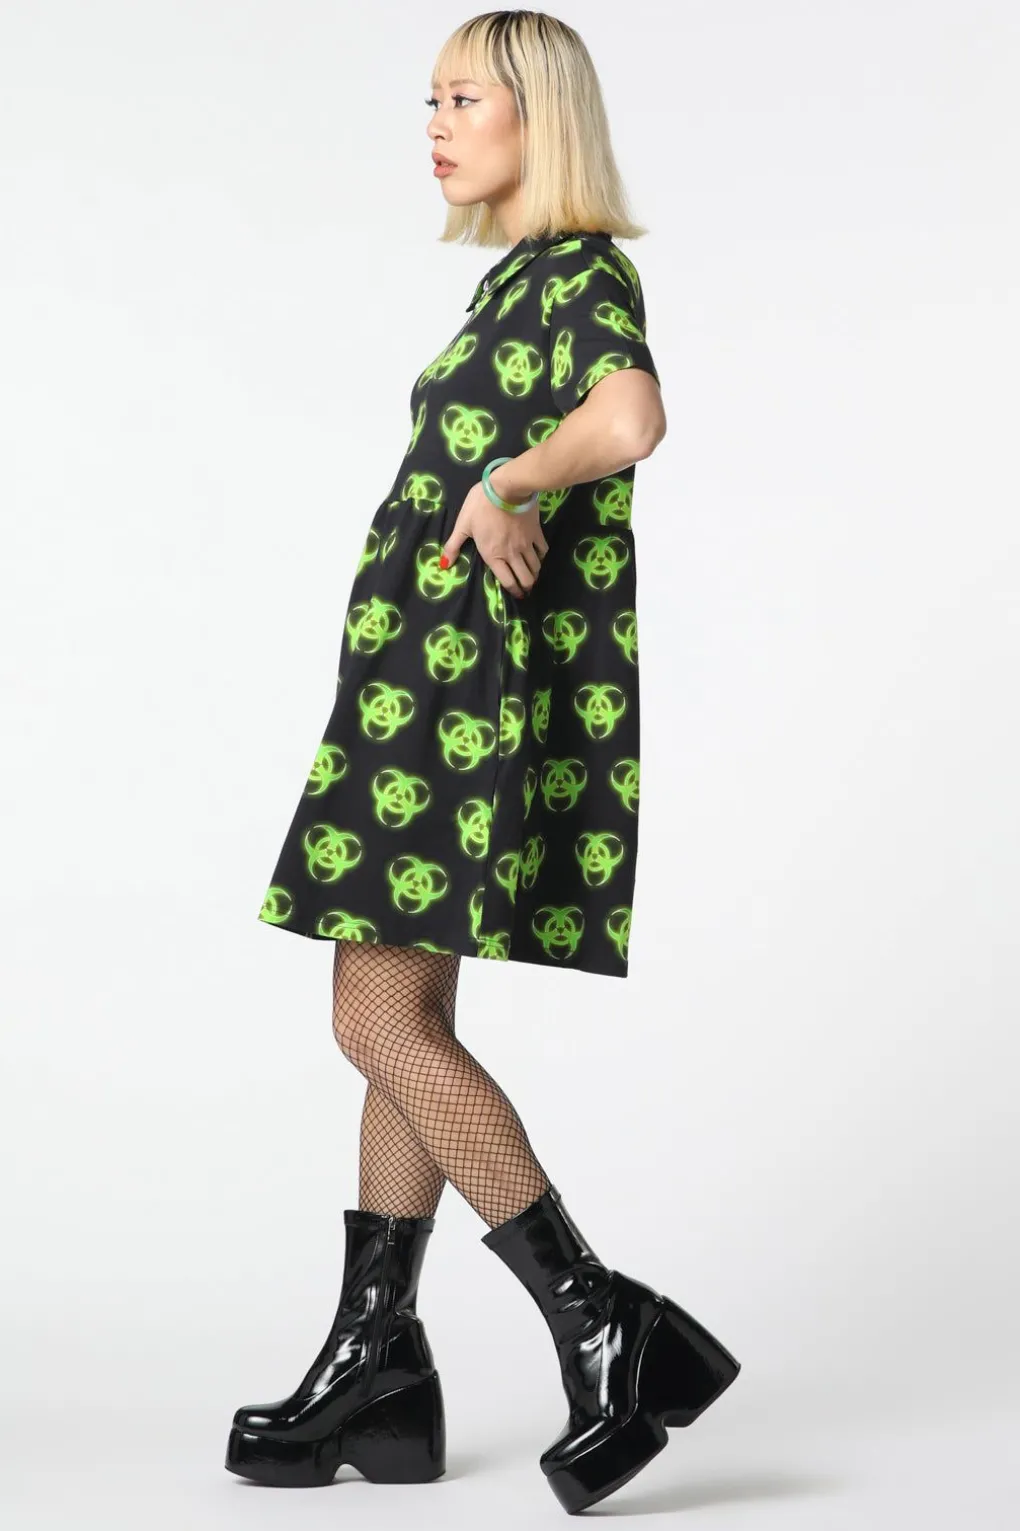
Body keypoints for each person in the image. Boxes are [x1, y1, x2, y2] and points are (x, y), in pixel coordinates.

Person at [225, 9, 739, 1515]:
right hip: (423, 686)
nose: (438, 125)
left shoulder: (579, 274)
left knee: (373, 1016)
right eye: (432, 100)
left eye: (467, 98)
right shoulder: (515, 284)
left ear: (541, 117)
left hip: (455, 701)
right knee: (409, 1013)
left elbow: (632, 416)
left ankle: (603, 1319)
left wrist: (512, 476)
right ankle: (377, 1362)